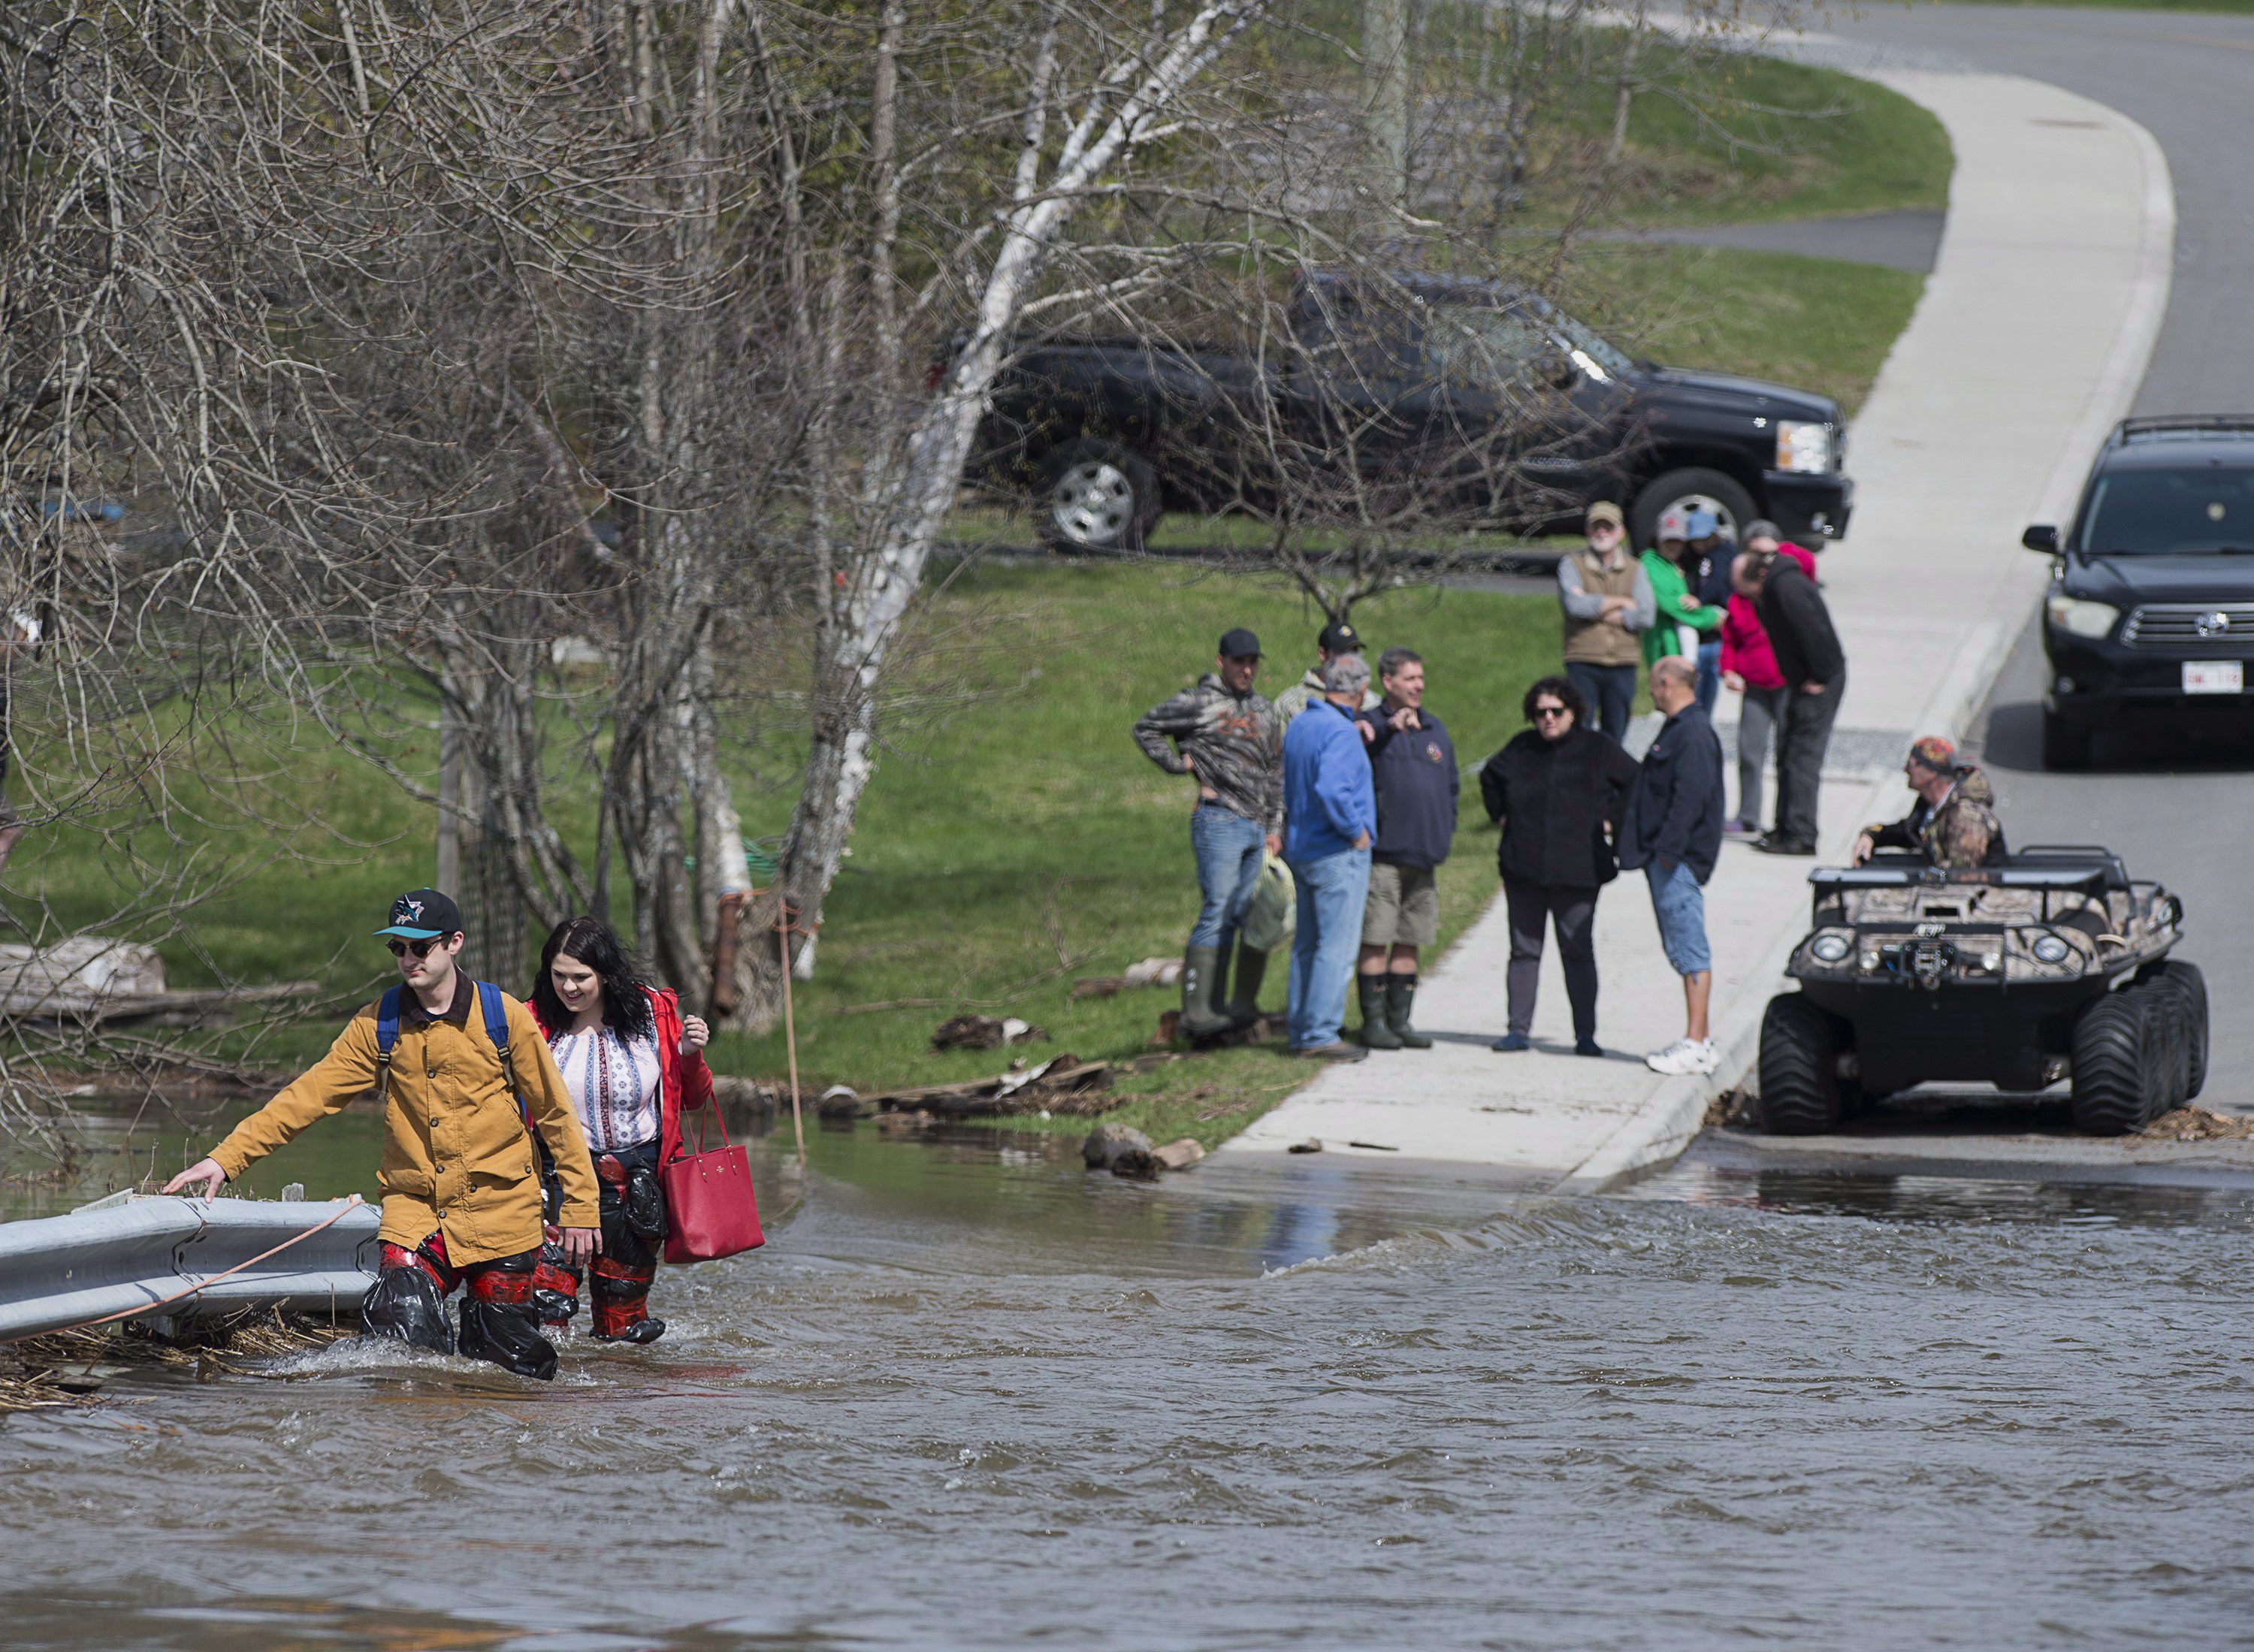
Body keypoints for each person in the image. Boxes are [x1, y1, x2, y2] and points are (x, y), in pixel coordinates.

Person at [162, 889, 600, 1381]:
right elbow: (310, 1094)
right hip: (418, 1212)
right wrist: (227, 1158)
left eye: (421, 947)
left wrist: (581, 1207)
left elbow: (557, 1116)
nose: (408, 958)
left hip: (504, 1210)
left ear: (454, 943)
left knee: (503, 1366)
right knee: (400, 1334)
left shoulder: (504, 1017)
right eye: (398, 948)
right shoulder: (379, 1023)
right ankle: (416, 1442)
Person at [525, 917, 715, 1345]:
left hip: (638, 1190)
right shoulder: (531, 1021)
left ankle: (621, 1406)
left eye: (581, 977)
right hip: (555, 1184)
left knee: (623, 1322)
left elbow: (695, 1098)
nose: (569, 988)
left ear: (607, 974)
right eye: (559, 976)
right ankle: (546, 1407)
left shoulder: (654, 1013)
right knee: (545, 1311)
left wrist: (689, 1055)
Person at [1132, 628, 1286, 1037]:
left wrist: (1274, 828)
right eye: (1239, 661)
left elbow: (1275, 771)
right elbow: (1145, 727)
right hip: (1218, 818)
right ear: (1221, 662)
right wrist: (1175, 763)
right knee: (1217, 908)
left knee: (1237, 915)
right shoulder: (1198, 701)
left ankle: (1219, 1008)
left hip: (1255, 828)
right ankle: (1197, 1012)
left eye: (1253, 661)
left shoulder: (1264, 710)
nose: (1247, 669)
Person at [1478, 675, 1640, 1057]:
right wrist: (1500, 814)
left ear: (1573, 712)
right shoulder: (1521, 748)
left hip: (1579, 869)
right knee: (1524, 949)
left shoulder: (1597, 747)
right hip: (1524, 867)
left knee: (1577, 950)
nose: (1548, 719)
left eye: (1556, 711)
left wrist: (1611, 820)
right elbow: (1491, 778)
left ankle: (1585, 1034)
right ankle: (1517, 1030)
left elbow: (1635, 780)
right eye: (1540, 713)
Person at [1617, 657, 1727, 1077]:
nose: (1650, 693)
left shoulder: (1694, 734)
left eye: (1652, 685)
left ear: (1665, 683)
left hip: (1676, 862)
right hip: (1667, 859)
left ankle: (1696, 1042)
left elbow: (1691, 798)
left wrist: (1667, 853)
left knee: (1689, 946)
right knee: (1682, 946)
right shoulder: (1681, 728)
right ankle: (1698, 1039)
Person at [1352, 648, 1458, 1052]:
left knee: (1411, 939)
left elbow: (1451, 787)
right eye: (1410, 678)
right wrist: (1387, 731)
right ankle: (1374, 1023)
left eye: (1421, 678)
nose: (1419, 685)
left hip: (1424, 855)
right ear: (1388, 682)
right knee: (1377, 937)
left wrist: (1444, 832)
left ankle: (1401, 1020)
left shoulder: (1434, 728)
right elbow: (1354, 760)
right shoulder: (1368, 725)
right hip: (1383, 856)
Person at [1282, 652, 1376, 1062]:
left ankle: (1301, 1028)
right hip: (1335, 851)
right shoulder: (1341, 733)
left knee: (1306, 945)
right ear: (1361, 690)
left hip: (1301, 847)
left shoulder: (1302, 722)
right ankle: (1320, 1033)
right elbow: (1333, 790)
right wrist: (1357, 832)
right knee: (1335, 948)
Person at [1734, 548, 1845, 857]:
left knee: (1802, 757)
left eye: (1746, 592)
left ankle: (1801, 834)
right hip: (1800, 680)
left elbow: (1817, 632)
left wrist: (1819, 676)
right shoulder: (1775, 587)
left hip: (1820, 681)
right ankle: (1783, 827)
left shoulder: (1786, 587)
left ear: (1756, 578)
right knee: (1786, 751)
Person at [1717, 523, 1815, 838]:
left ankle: (1786, 819)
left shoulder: (1789, 585)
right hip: (1755, 686)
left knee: (1788, 755)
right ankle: (1748, 816)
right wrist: (1728, 670)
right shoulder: (1740, 598)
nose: (1760, 560)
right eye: (1754, 553)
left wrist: (1775, 550)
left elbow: (1811, 554)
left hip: (1786, 684)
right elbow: (1730, 640)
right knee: (1749, 752)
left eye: (1765, 553)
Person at [1557, 501, 1654, 743]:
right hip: (1583, 659)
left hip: (1623, 662)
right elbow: (1575, 606)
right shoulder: (1572, 564)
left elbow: (1647, 615)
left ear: (1620, 532)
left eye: (1608, 527)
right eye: (1596, 526)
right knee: (1579, 731)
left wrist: (1598, 607)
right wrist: (1623, 601)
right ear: (1587, 530)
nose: (1602, 532)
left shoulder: (1635, 568)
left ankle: (1611, 782)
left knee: (1615, 735)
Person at [1853, 736, 2008, 870]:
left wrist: (1925, 877)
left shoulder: (1966, 816)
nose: (1905, 770)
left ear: (1931, 773)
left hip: (1985, 898)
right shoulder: (1929, 806)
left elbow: (1959, 874)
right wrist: (1871, 835)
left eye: (1911, 764)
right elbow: (1908, 833)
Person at [1640, 509, 1721, 699]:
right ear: (1657, 539)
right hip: (1665, 648)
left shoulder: (1676, 564)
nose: (1673, 545)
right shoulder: (1650, 563)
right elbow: (1670, 605)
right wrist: (1710, 617)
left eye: (1677, 540)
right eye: (1668, 540)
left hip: (1684, 651)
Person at [1272, 620, 1378, 723]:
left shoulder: (1372, 703)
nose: (1349, 661)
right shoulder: (1289, 704)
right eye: (1342, 653)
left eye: (1354, 652)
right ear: (1322, 654)